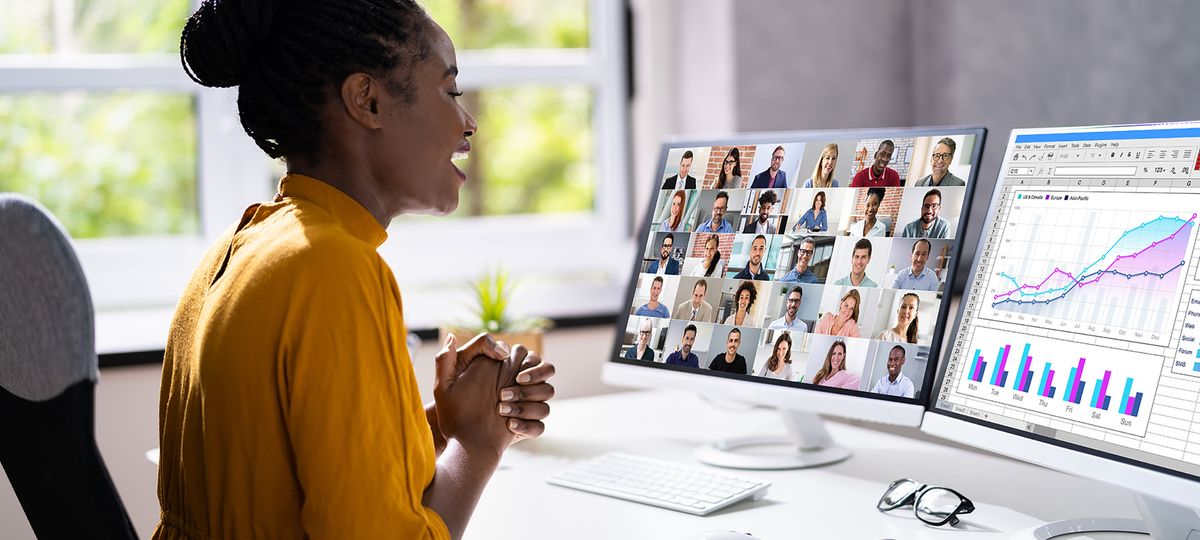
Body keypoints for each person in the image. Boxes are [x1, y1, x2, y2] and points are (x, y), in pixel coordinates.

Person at [163, 3, 556, 537]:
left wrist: (442, 425)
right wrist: (478, 445)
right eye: (450, 92)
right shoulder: (334, 268)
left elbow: (296, 470)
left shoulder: (240, 248)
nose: (469, 123)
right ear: (367, 100)